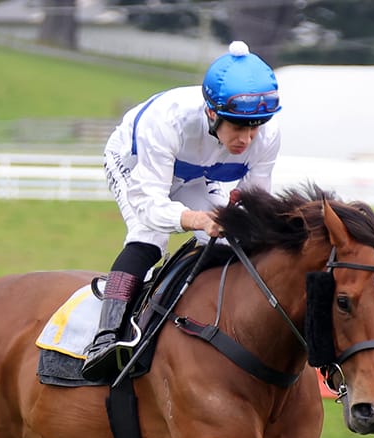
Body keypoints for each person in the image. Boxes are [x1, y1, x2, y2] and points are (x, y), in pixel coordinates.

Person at [80, 40, 282, 382]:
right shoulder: (167, 121)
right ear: (212, 113)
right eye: (238, 127)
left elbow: (255, 203)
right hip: (136, 165)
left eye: (255, 127)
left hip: (197, 173)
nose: (247, 140)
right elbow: (149, 205)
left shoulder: (267, 135)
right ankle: (105, 337)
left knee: (232, 241)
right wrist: (196, 219)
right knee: (150, 236)